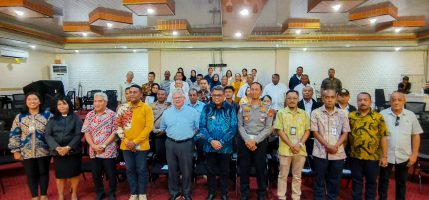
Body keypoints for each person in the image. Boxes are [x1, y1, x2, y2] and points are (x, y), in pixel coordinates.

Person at [379, 92, 423, 200]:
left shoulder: (411, 115)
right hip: (386, 155)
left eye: (399, 99)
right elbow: (378, 135)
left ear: (404, 101)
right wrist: (381, 155)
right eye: (393, 100)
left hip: (404, 156)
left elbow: (416, 135)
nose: (396, 102)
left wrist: (414, 154)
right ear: (390, 102)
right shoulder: (382, 114)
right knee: (383, 181)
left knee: (401, 182)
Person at [8, 92, 52, 200]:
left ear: (40, 101)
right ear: (26, 102)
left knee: (44, 172)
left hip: (44, 150)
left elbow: (53, 133)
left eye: (35, 99)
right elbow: (14, 133)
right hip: (26, 151)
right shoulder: (20, 117)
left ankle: (43, 195)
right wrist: (15, 151)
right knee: (31, 174)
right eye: (29, 99)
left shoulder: (48, 115)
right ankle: (34, 196)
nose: (32, 101)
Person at [115, 85, 154, 200]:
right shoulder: (123, 108)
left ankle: (142, 193)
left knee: (141, 169)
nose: (132, 94)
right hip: (126, 145)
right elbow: (118, 126)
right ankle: (133, 193)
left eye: (135, 92)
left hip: (141, 146)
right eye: (130, 92)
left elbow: (148, 127)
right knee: (130, 169)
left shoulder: (146, 108)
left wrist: (135, 142)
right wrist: (127, 141)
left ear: (141, 94)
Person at [160, 89, 200, 200]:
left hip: (187, 143)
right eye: (174, 98)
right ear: (172, 99)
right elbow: (163, 128)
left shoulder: (193, 112)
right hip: (170, 143)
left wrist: (190, 135)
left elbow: (198, 127)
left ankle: (186, 193)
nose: (177, 99)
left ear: (184, 98)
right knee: (172, 170)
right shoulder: (166, 112)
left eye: (179, 97)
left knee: (187, 170)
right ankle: (174, 193)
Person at [200, 86, 238, 200]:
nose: (216, 97)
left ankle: (224, 193)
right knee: (210, 170)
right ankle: (211, 192)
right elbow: (202, 126)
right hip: (209, 145)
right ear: (211, 95)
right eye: (214, 95)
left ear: (224, 96)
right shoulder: (206, 108)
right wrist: (211, 140)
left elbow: (233, 128)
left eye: (219, 95)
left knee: (225, 171)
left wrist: (221, 141)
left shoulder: (230, 108)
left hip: (225, 147)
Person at [237, 82, 274, 200]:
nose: (254, 91)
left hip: (260, 142)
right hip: (245, 142)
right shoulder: (242, 106)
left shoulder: (268, 108)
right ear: (248, 91)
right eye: (251, 89)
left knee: (260, 168)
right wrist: (248, 140)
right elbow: (240, 126)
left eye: (256, 89)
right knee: (244, 168)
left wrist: (255, 141)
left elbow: (269, 127)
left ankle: (262, 192)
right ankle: (244, 192)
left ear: (261, 92)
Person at [311, 89, 350, 200]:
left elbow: (345, 133)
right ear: (322, 98)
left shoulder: (343, 113)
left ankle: (331, 198)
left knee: (335, 180)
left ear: (336, 98)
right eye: (327, 97)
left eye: (332, 97)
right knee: (319, 179)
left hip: (338, 153)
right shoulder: (316, 112)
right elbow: (315, 132)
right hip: (320, 152)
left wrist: (335, 146)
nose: (329, 99)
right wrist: (327, 145)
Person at [348, 92, 388, 200]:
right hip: (355, 156)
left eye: (365, 100)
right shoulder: (351, 116)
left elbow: (383, 137)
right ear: (357, 102)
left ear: (371, 102)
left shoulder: (378, 117)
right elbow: (346, 135)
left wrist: (384, 156)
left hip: (373, 157)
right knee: (356, 182)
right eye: (360, 100)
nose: (362, 102)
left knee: (371, 182)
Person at [274, 90, 310, 200]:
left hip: (300, 150)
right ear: (286, 99)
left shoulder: (304, 113)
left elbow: (307, 131)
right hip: (285, 149)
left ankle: (296, 196)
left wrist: (299, 144)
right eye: (289, 98)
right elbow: (279, 130)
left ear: (298, 99)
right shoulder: (281, 113)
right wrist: (291, 145)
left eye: (294, 98)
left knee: (297, 176)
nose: (292, 100)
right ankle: (281, 196)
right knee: (283, 175)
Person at [45, 96, 83, 200]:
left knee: (74, 174)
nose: (62, 106)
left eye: (64, 103)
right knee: (60, 175)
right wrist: (57, 148)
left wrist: (68, 147)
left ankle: (74, 193)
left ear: (69, 105)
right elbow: (48, 135)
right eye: (59, 104)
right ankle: (61, 195)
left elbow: (78, 135)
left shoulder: (76, 118)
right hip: (58, 152)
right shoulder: (52, 119)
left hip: (73, 151)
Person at [82, 92, 118, 200]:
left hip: (108, 149)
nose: (97, 103)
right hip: (94, 150)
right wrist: (93, 145)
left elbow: (115, 132)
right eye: (95, 101)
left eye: (100, 101)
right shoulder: (89, 115)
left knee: (111, 174)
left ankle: (112, 193)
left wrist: (103, 145)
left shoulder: (112, 114)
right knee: (96, 174)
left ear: (105, 102)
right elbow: (86, 131)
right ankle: (100, 192)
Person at [297, 86, 321, 163]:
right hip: (300, 132)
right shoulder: (297, 104)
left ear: (312, 93)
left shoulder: (318, 105)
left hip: (314, 133)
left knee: (311, 153)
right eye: (305, 91)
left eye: (309, 91)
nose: (307, 92)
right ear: (302, 93)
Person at [150, 89, 171, 165]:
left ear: (166, 96)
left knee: (164, 152)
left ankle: (164, 169)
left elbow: (171, 120)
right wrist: (153, 130)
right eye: (158, 94)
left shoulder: (170, 106)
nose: (160, 96)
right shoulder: (151, 106)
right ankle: (155, 170)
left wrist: (163, 131)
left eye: (162, 94)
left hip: (166, 133)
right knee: (155, 152)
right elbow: (149, 119)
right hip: (153, 132)